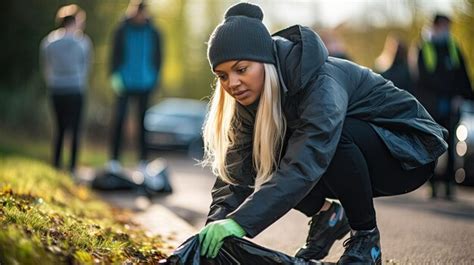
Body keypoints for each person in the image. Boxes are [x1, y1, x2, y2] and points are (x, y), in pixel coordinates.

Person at [197, 3, 448, 264]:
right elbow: (235, 175)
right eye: (222, 76)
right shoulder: (248, 104)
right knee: (269, 145)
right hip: (351, 155)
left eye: (241, 69)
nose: (232, 84)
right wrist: (213, 231)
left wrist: (240, 222)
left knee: (330, 136)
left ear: (265, 61)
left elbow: (307, 158)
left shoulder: (321, 81)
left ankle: (366, 237)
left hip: (409, 152)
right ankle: (327, 216)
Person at [417, 14, 473, 200]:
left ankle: (449, 184)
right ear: (435, 26)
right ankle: (432, 183)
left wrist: (463, 95)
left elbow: (462, 74)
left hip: (451, 104)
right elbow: (419, 78)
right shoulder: (423, 48)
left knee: (450, 145)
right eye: (443, 26)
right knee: (431, 143)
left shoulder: (453, 47)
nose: (446, 30)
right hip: (431, 105)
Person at [109, 0, 163, 170]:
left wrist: (155, 77)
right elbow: (114, 54)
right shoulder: (121, 29)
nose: (140, 16)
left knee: (143, 122)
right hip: (124, 82)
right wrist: (114, 76)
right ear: (133, 11)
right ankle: (114, 161)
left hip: (145, 83)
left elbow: (159, 56)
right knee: (119, 119)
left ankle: (143, 161)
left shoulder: (154, 31)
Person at [40, 4, 93, 175]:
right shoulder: (83, 42)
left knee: (59, 128)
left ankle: (56, 165)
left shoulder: (48, 42)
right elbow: (86, 67)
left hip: (56, 89)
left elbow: (46, 66)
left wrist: (53, 81)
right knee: (75, 129)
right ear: (75, 21)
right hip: (76, 89)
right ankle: (72, 167)